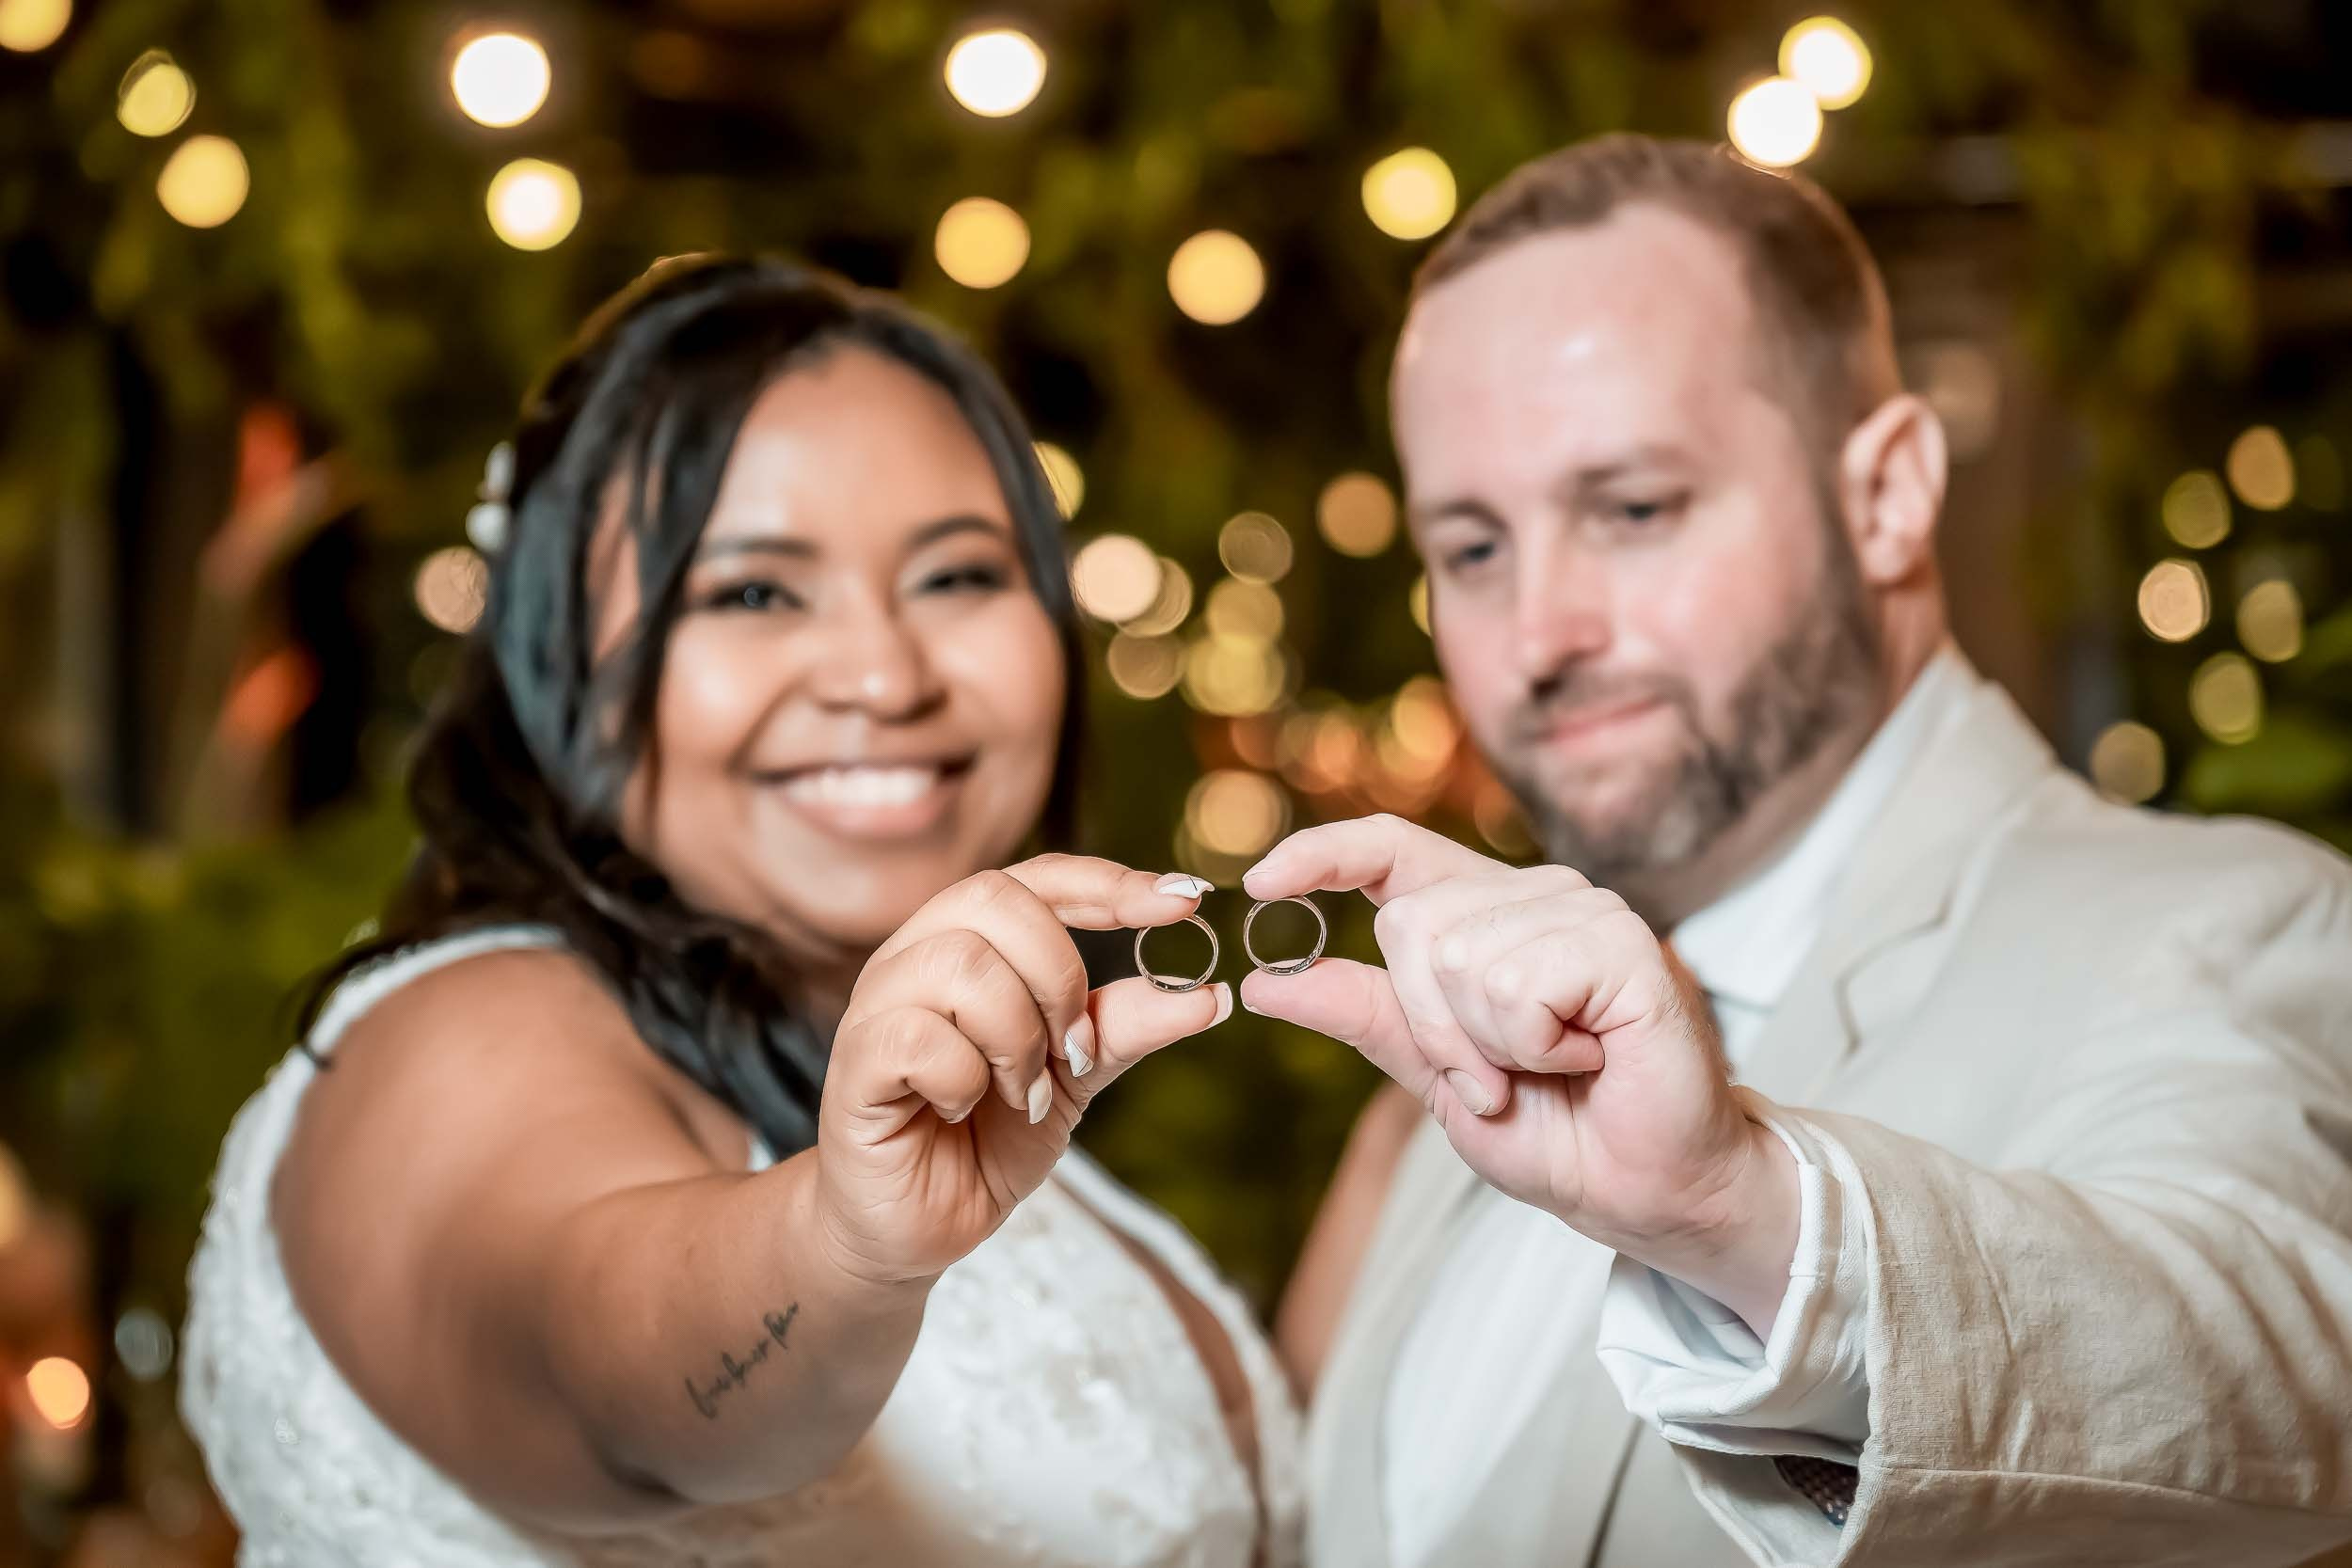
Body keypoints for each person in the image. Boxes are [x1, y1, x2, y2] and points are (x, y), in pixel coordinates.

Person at [1261, 135, 2352, 1567]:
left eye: (1633, 509)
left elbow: (2280, 1368)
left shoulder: (2233, 922)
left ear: (1889, 492)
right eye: (1473, 548)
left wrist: (1742, 1209)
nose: (1539, 638)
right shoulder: (1443, 1068)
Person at [181, 254, 1301, 1566]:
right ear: (559, 659)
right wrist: (840, 1249)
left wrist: (1440, 1143)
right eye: (754, 592)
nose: (885, 675)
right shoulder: (462, 1037)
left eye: (957, 578)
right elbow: (610, 1363)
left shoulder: (969, 1090)